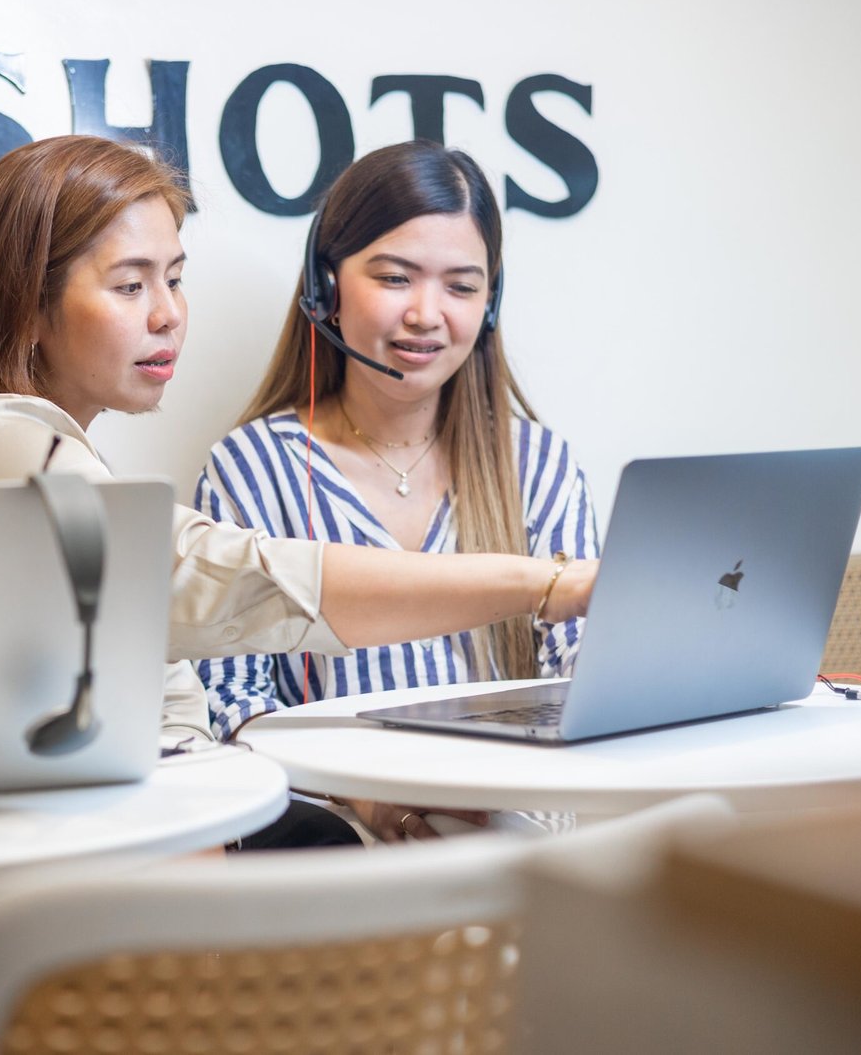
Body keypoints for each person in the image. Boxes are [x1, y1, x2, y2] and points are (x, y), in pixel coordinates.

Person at [0, 134, 597, 1053]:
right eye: (130, 285)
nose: (169, 314)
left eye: (175, 278)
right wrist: (543, 582)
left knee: (309, 857)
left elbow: (169, 722)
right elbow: (218, 577)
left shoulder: (59, 453)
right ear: (28, 304)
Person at [195, 140, 600, 842]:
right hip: (339, 850)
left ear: (491, 303)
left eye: (461, 286)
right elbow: (225, 702)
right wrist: (368, 795)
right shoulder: (252, 467)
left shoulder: (537, 462)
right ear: (325, 288)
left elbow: (585, 669)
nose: (426, 314)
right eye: (394, 278)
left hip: (523, 848)